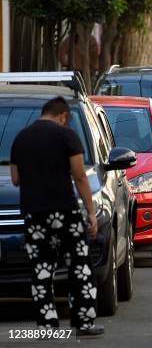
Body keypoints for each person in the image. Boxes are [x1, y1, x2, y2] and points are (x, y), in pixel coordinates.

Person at [10, 97, 104, 335]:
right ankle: (83, 321)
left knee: (41, 269)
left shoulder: (20, 139)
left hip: (34, 214)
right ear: (63, 116)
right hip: (65, 211)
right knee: (79, 265)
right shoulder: (67, 136)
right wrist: (91, 213)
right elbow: (80, 176)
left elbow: (15, 179)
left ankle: (46, 324)